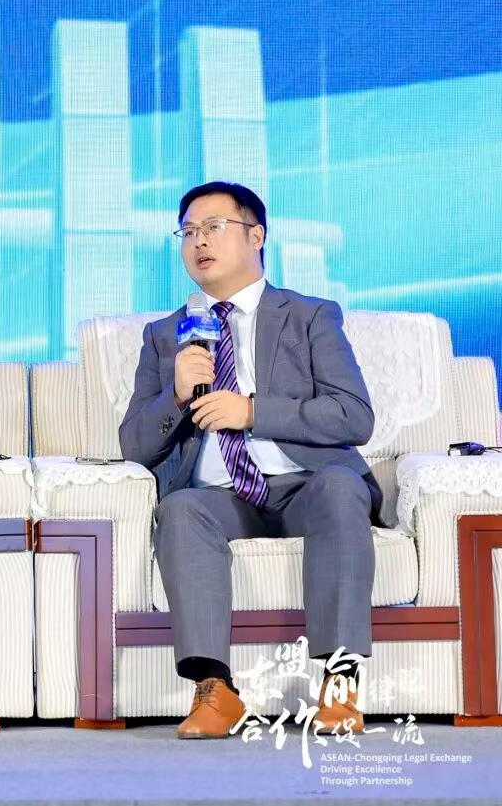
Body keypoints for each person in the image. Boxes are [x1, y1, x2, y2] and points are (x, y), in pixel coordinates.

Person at [119, 181, 380, 739]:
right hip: (222, 498)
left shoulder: (309, 316)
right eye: (188, 232)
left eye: (213, 227)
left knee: (340, 487)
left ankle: (339, 685)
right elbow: (135, 448)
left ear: (256, 236)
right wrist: (176, 397)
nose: (199, 242)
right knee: (181, 509)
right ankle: (215, 690)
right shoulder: (165, 335)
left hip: (307, 485)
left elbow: (354, 416)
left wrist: (252, 411)